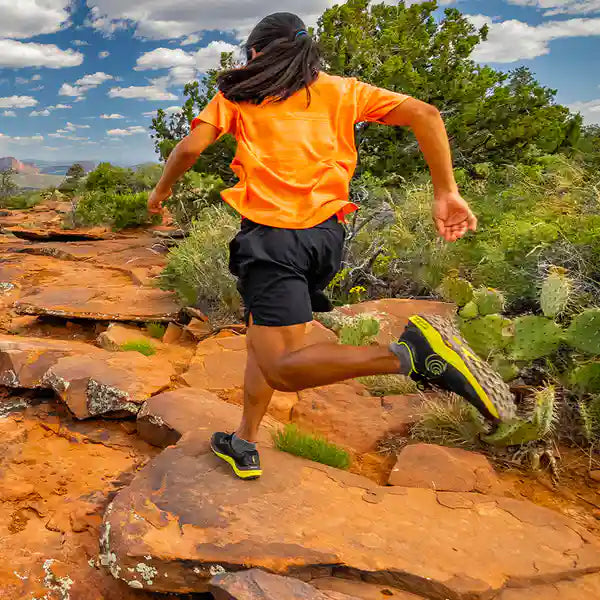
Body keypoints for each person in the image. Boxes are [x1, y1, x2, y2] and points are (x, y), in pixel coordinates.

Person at [148, 12, 513, 481]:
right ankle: (245, 439)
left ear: (256, 53)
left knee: (281, 367)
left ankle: (411, 355)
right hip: (325, 238)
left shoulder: (238, 96)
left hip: (271, 239)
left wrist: (161, 192)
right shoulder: (344, 90)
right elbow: (425, 113)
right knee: (265, 343)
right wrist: (446, 190)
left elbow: (189, 150)